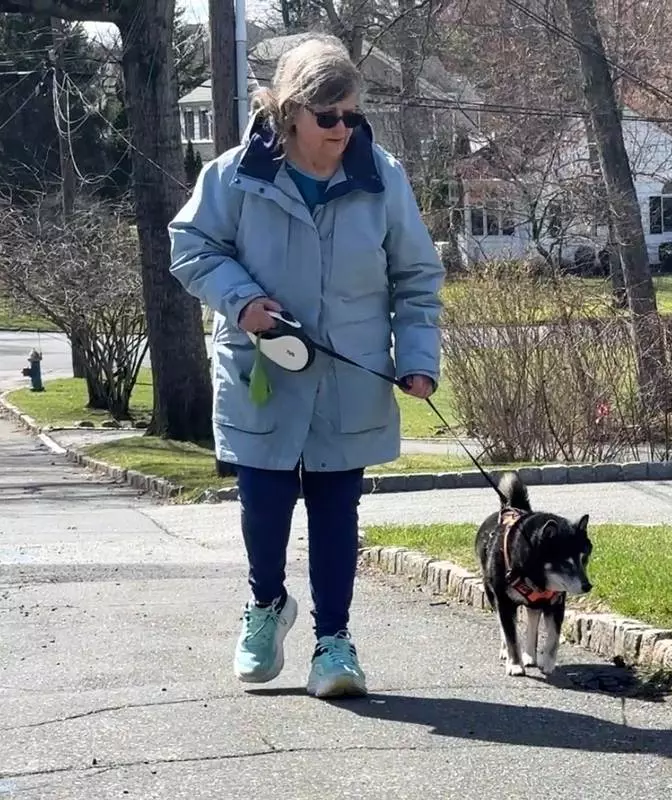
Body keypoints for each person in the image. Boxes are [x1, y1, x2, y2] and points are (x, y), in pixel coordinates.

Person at [168, 34, 445, 699]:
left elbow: (416, 276)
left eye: (353, 116)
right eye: (330, 118)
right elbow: (191, 246)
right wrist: (242, 302)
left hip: (349, 378)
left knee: (335, 509)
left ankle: (334, 645)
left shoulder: (382, 177)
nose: (344, 130)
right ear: (291, 112)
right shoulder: (234, 175)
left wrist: (416, 358)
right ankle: (266, 606)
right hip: (261, 369)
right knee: (263, 504)